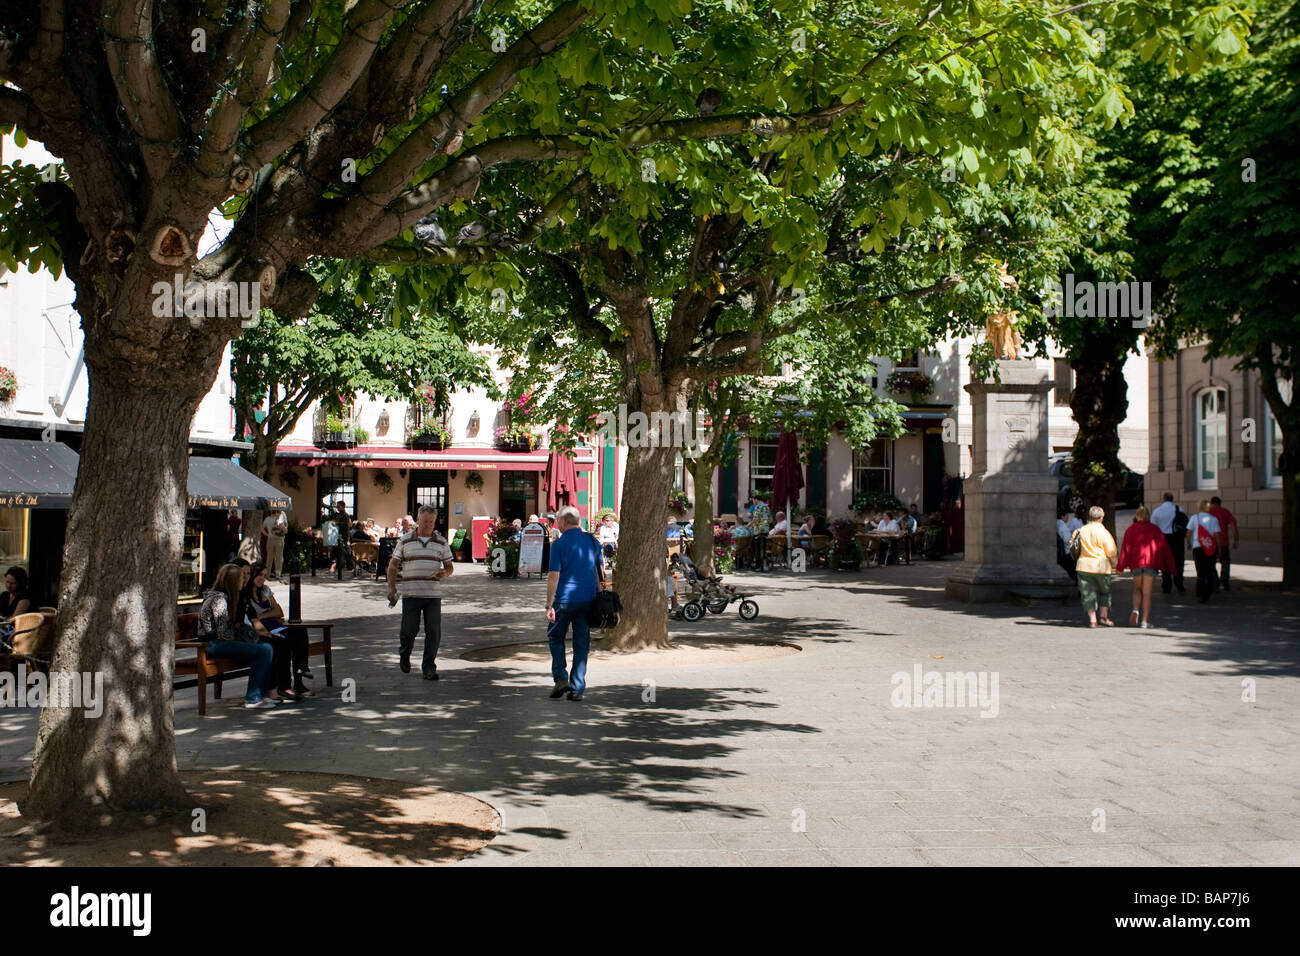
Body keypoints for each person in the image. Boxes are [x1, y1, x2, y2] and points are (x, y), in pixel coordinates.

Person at [387, 505, 455, 679]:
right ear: (417, 521)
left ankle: (429, 667)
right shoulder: (405, 540)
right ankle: (405, 652)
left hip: (433, 595)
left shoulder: (441, 542)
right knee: (409, 630)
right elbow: (393, 565)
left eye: (431, 522)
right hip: (411, 594)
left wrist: (444, 573)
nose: (427, 525)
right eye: (424, 521)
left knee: (433, 632)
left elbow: (449, 567)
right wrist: (391, 587)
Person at [545, 505, 603, 702]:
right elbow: (598, 570)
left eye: (557, 521)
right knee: (581, 643)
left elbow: (554, 575)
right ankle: (577, 687)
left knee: (555, 637)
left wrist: (548, 604)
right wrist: (598, 590)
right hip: (587, 599)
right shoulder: (592, 541)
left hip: (564, 600)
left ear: (562, 522)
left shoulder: (558, 545)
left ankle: (560, 678)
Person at [199, 563, 277, 709]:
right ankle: (253, 698)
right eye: (241, 578)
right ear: (232, 581)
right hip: (212, 644)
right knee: (263, 650)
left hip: (223, 642)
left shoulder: (230, 597)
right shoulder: (218, 599)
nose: (244, 581)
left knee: (266, 647)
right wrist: (242, 635)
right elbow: (223, 632)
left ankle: (260, 694)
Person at [244, 563, 312, 699]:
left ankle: (302, 670)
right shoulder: (245, 595)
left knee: (300, 631)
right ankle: (285, 686)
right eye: (259, 575)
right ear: (252, 575)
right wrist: (269, 613)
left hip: (274, 625)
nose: (261, 579)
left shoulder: (265, 590)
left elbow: (279, 611)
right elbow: (253, 618)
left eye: (264, 576)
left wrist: (261, 615)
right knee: (284, 641)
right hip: (264, 630)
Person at [1117, 506, 1176, 629]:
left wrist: (1120, 567)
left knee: (1137, 589)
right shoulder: (1155, 530)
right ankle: (1144, 621)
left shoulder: (1130, 530)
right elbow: (1164, 548)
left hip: (1136, 564)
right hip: (1150, 564)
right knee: (1147, 593)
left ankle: (1135, 609)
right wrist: (1172, 568)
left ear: (1136, 516)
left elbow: (1125, 549)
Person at [1073, 505, 1118, 627]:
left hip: (1084, 566)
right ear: (1102, 518)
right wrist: (1116, 566)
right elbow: (1111, 553)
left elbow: (1073, 546)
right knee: (1105, 592)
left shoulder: (1080, 531)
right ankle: (1103, 617)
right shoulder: (1105, 533)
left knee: (1088, 594)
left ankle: (1093, 619)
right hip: (1102, 568)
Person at [1149, 492, 1187, 594]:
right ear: (1172, 499)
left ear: (1164, 499)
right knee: (1178, 561)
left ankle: (1166, 585)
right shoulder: (1179, 510)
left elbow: (1153, 527)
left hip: (1163, 538)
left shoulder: (1157, 511)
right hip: (1177, 538)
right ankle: (1179, 582)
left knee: (1165, 562)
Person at [1186, 499, 1222, 603]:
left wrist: (1188, 542)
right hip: (1210, 547)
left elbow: (1188, 532)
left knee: (1200, 570)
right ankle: (1208, 592)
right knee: (1210, 570)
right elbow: (1217, 536)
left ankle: (1200, 592)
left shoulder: (1194, 518)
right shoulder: (1214, 519)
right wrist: (1219, 549)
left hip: (1198, 547)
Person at [1208, 496, 1239, 592]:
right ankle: (1224, 578)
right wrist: (1236, 539)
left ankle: (1215, 582)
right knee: (1225, 561)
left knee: (1211, 563)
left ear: (1211, 503)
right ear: (1220, 503)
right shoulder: (1225, 512)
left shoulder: (1208, 513)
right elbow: (1233, 525)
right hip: (1223, 541)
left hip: (1211, 542)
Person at [326, 501, 354, 573]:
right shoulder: (338, 515)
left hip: (343, 536)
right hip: (336, 536)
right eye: (337, 506)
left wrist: (337, 523)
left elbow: (346, 524)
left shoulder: (345, 515)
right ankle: (331, 567)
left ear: (342, 506)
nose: (337, 507)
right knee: (334, 552)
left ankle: (351, 566)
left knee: (346, 552)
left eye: (338, 506)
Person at [261, 509, 288, 578]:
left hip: (270, 539)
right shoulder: (282, 517)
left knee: (269, 558)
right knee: (278, 558)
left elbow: (262, 528)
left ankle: (267, 574)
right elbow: (285, 531)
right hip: (279, 539)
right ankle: (277, 574)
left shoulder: (267, 519)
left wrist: (268, 534)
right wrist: (282, 526)